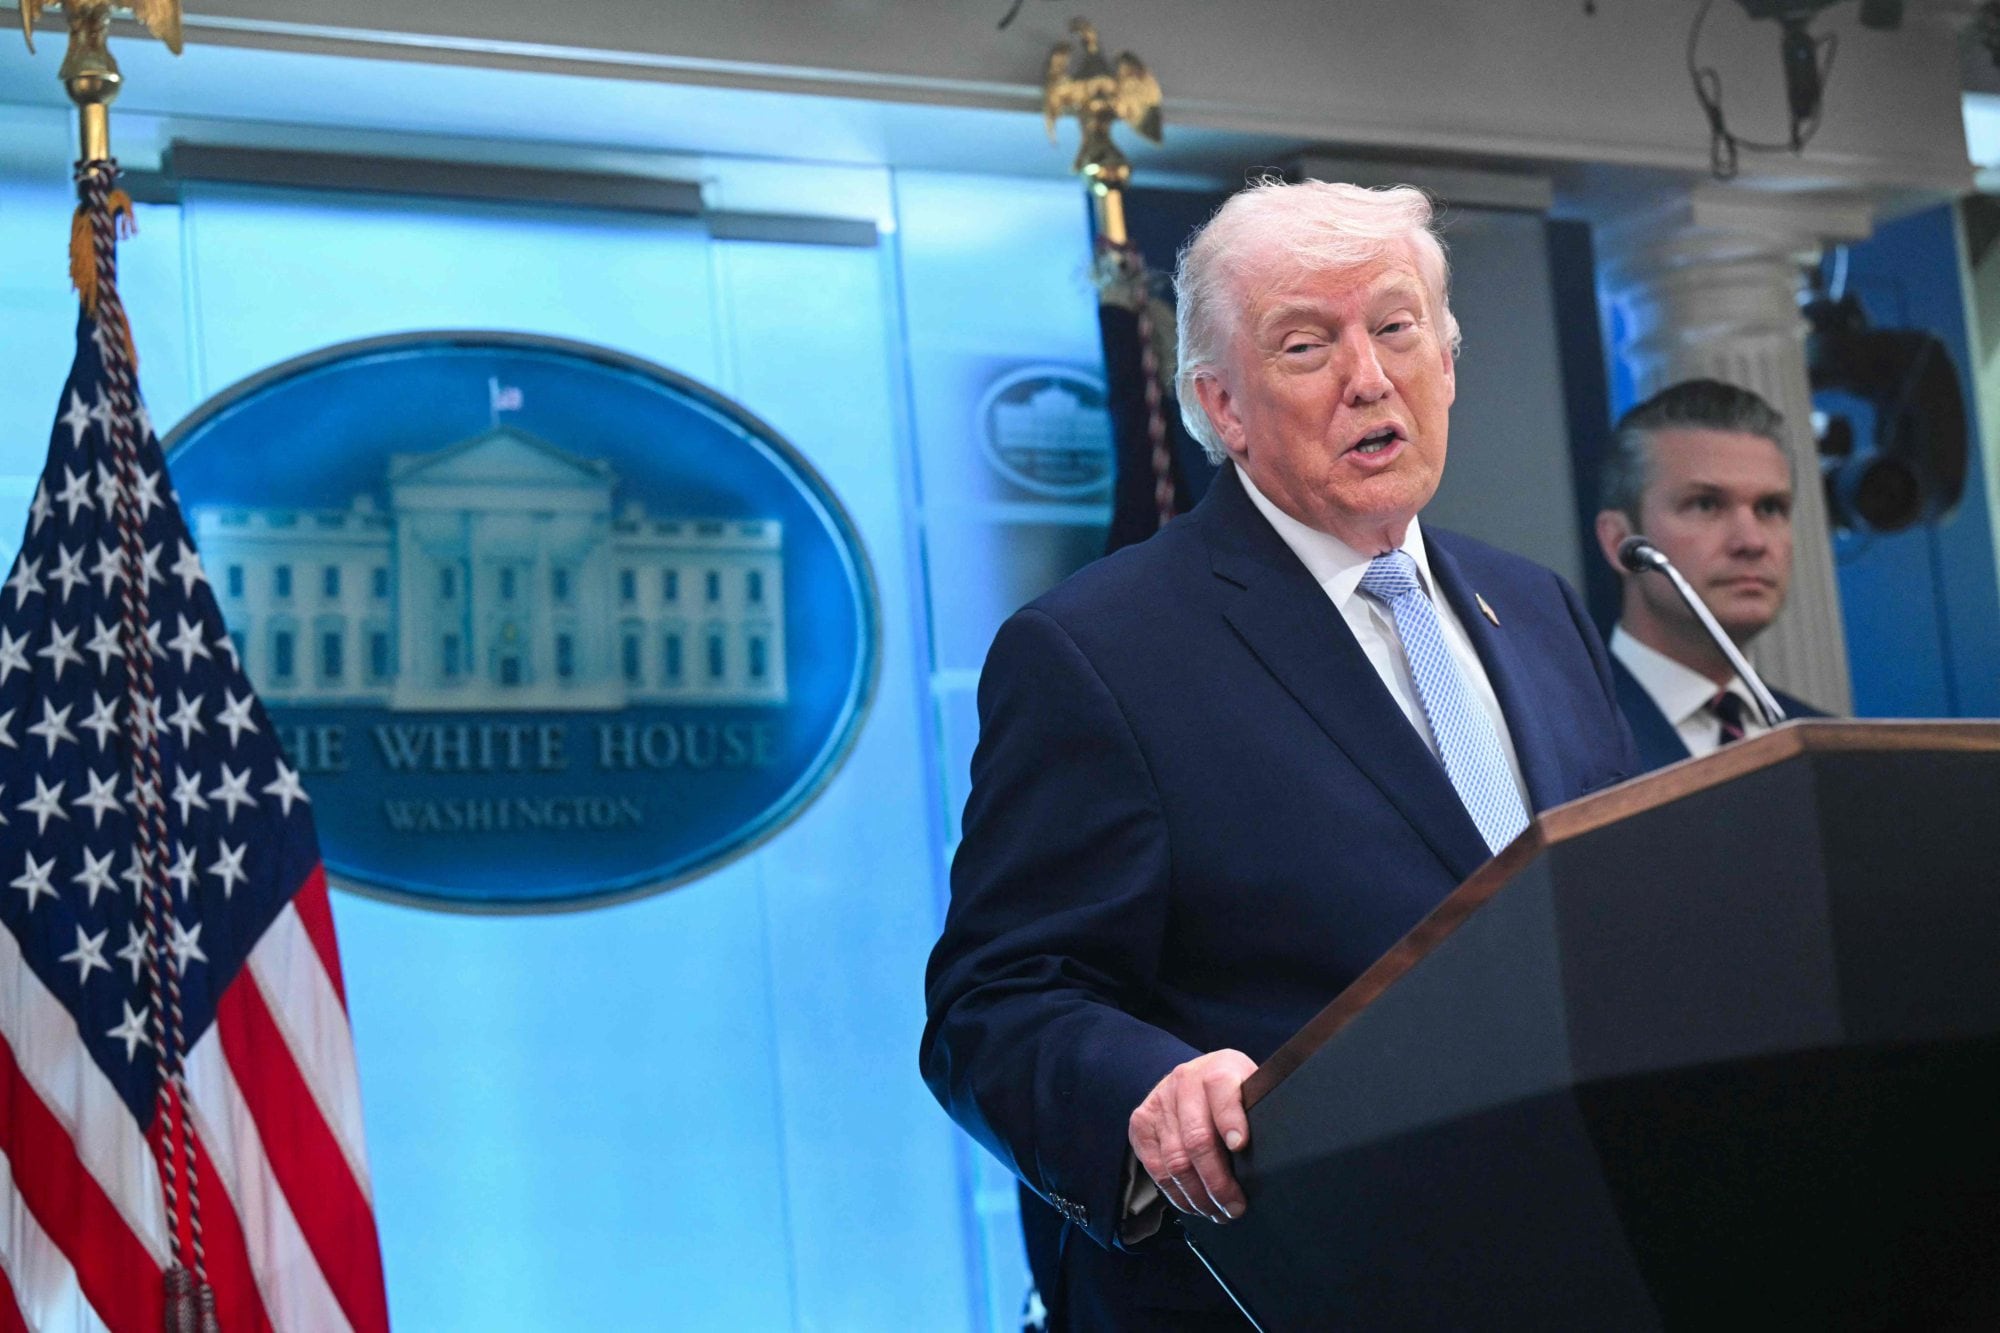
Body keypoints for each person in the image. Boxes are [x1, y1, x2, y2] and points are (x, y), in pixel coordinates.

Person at [920, 178, 1638, 1331]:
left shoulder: (1536, 607)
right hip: (1300, 1279)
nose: (1369, 375)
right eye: (1305, 344)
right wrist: (1141, 1090)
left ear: (1445, 361)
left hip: (1580, 1261)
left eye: (1396, 328)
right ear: (1221, 405)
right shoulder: (1100, 649)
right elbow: (993, 1002)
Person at [1593, 379, 1827, 773]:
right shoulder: (1560, 739)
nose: (1751, 542)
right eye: (1706, 505)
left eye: (1770, 508)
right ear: (1620, 541)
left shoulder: (1829, 746)